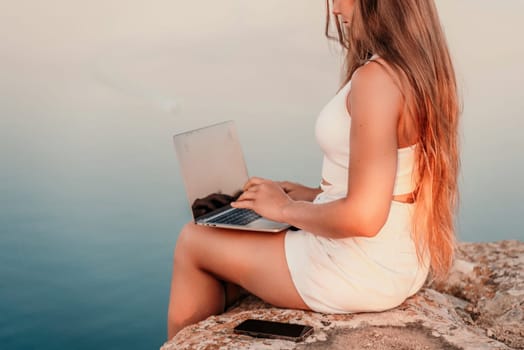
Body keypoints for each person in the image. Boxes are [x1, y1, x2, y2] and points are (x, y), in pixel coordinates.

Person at [167, 0, 459, 340]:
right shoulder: (415, 69)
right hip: (399, 261)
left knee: (194, 241)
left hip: (357, 268)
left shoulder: (377, 80)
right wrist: (310, 196)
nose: (335, 9)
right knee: (236, 239)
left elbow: (364, 217)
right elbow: (395, 188)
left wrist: (285, 208)